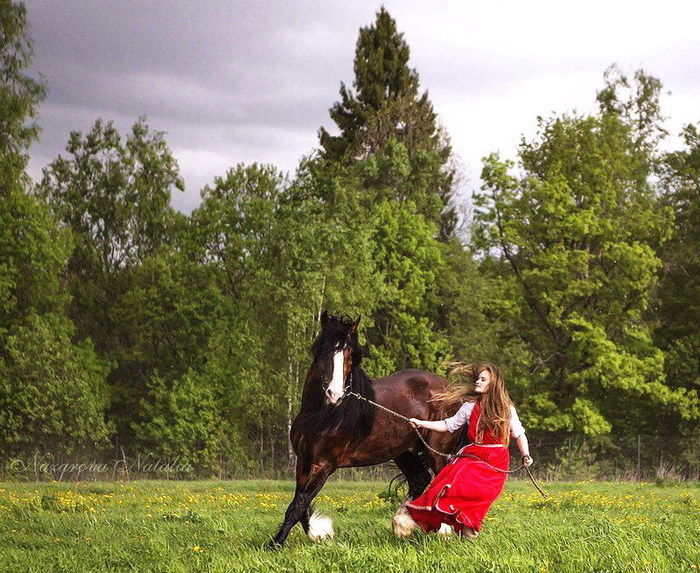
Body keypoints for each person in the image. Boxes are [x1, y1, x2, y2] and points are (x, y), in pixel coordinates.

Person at [404, 362, 533, 538]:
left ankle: (468, 536)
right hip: (472, 456)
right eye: (478, 379)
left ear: (493, 383)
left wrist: (526, 455)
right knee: (451, 485)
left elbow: (519, 434)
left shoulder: (507, 409)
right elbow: (449, 425)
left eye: (483, 379)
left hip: (496, 462)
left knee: (478, 500)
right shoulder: (470, 406)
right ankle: (463, 536)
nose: (477, 382)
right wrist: (421, 423)